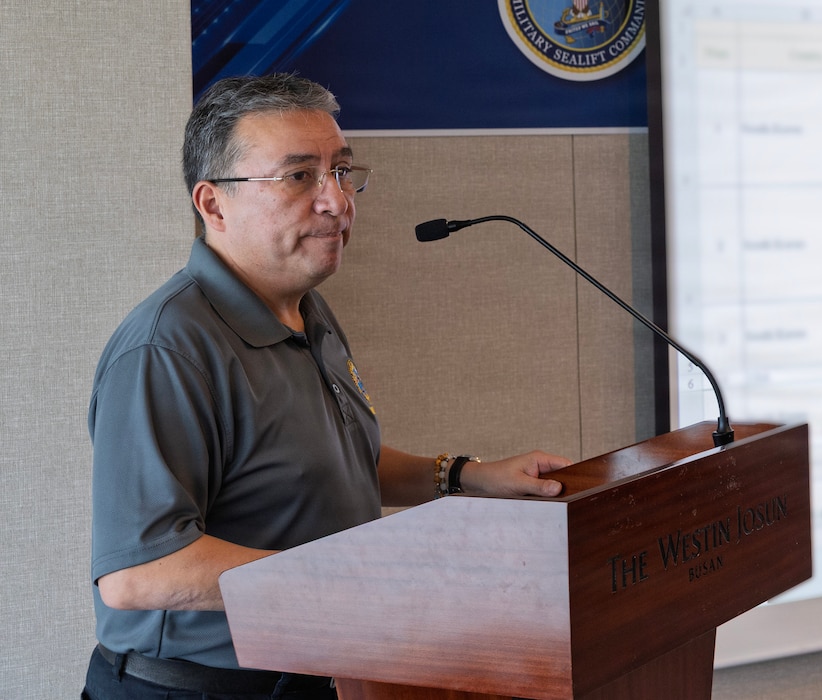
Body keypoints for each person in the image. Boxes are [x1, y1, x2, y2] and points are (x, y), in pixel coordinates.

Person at [82, 73, 570, 700]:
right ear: (213, 203)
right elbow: (139, 571)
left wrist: (467, 475)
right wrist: (358, 579)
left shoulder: (305, 308)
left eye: (341, 171)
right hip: (202, 689)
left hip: (322, 670)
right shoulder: (167, 349)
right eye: (299, 176)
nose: (337, 201)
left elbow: (329, 463)